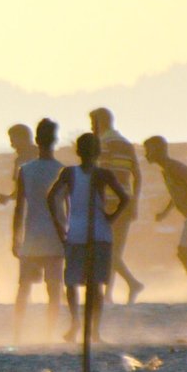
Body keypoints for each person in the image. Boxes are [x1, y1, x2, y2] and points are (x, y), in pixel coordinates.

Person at [47, 133, 129, 343]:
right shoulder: (102, 174)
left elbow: (51, 198)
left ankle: (76, 323)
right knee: (95, 285)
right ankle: (93, 330)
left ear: (78, 151)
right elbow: (124, 198)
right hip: (98, 233)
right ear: (98, 152)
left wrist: (59, 226)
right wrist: (111, 217)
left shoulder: (71, 173)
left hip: (78, 233)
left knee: (73, 282)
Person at [12, 118, 65, 339]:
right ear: (55, 140)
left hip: (32, 236)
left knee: (24, 288)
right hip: (56, 237)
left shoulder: (26, 170)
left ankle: (17, 333)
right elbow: (68, 207)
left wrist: (15, 238)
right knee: (54, 289)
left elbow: (19, 207)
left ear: (36, 140)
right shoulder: (62, 170)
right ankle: (48, 333)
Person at [142, 136, 187, 289]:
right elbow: (176, 194)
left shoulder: (174, 167)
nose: (146, 154)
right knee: (184, 252)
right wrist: (165, 212)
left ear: (158, 150)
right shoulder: (167, 169)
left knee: (185, 251)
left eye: (148, 150)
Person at [90, 107, 144, 303]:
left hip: (108, 203)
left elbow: (101, 175)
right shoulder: (126, 144)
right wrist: (134, 202)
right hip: (126, 202)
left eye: (92, 123)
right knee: (115, 251)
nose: (91, 128)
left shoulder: (103, 144)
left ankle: (131, 283)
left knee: (106, 250)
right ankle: (109, 294)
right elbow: (137, 175)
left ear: (99, 123)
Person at [0, 123, 36, 204]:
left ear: (22, 139)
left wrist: (8, 198)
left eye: (12, 140)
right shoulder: (42, 155)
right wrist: (8, 198)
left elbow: (22, 190)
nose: (11, 144)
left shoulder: (22, 160)